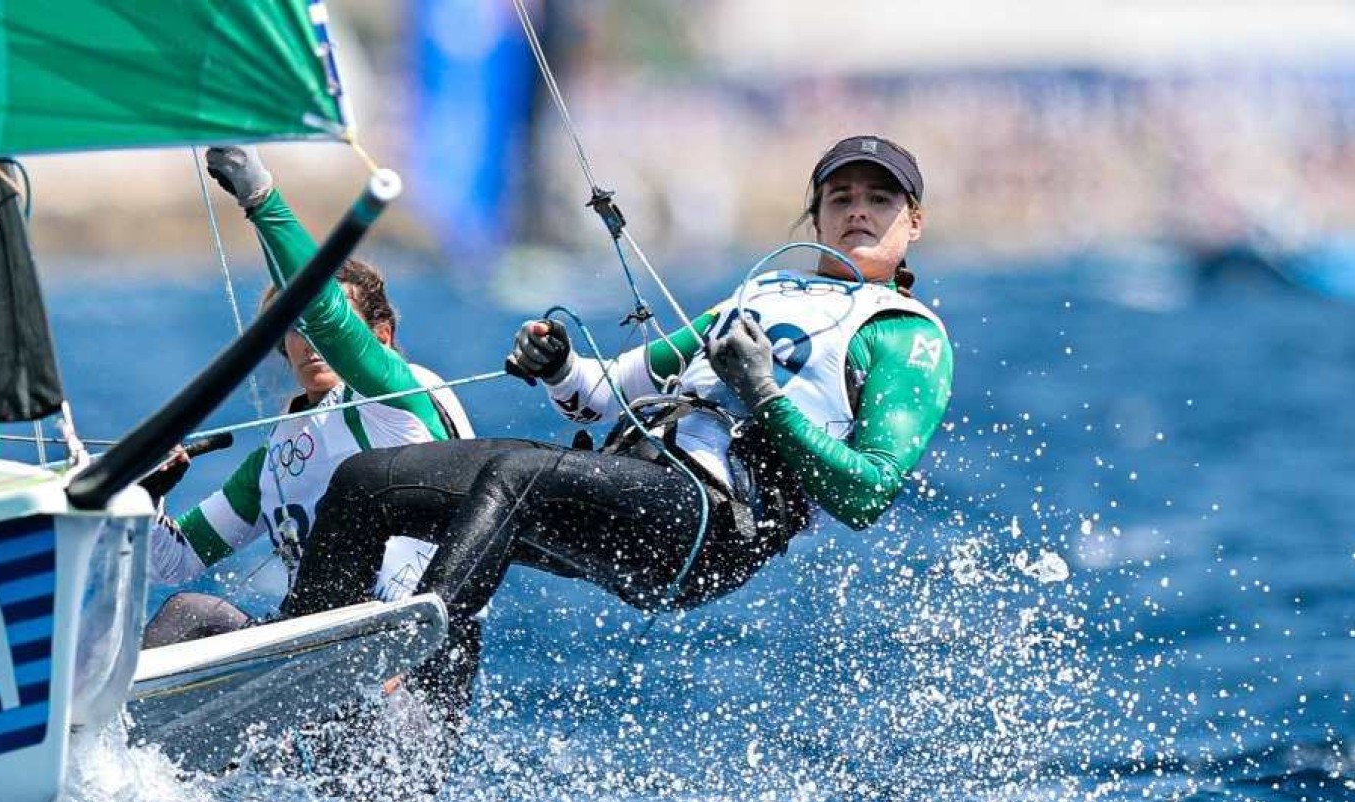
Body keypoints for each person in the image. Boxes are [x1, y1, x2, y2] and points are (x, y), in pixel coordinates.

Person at [279, 135, 954, 661]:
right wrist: (559, 364)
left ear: (913, 222)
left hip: (709, 525)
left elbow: (867, 495)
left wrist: (763, 393)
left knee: (514, 477)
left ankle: (408, 651)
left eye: (880, 198)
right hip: (632, 486)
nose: (859, 209)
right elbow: (600, 395)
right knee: (367, 481)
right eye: (841, 197)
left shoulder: (903, 335)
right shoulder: (764, 294)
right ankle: (300, 669)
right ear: (816, 216)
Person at [143, 146, 475, 663]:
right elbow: (173, 560)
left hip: (411, 651)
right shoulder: (274, 461)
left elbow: (330, 318)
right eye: (294, 328)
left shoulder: (401, 397)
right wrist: (148, 497)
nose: (311, 339)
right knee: (188, 612)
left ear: (380, 336)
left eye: (320, 325)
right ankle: (112, 743)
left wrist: (261, 198)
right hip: (315, 659)